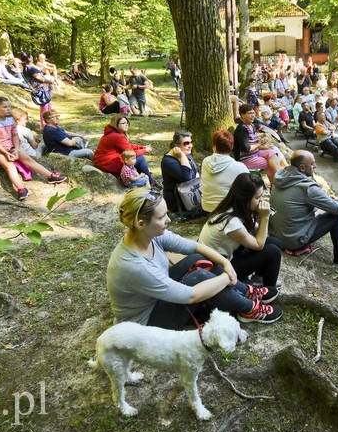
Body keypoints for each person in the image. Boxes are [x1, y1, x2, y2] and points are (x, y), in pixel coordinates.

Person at [107, 188, 282, 328]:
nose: (168, 220)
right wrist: (226, 277)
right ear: (141, 224)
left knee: (197, 258)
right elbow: (191, 296)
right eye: (161, 217)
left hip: (157, 297)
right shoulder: (135, 265)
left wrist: (225, 263)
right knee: (199, 278)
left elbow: (195, 246)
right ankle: (249, 309)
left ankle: (246, 292)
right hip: (146, 322)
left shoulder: (149, 235)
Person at [269, 150, 338, 266]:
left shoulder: (281, 177)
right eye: (312, 164)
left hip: (276, 236)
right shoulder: (307, 188)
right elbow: (337, 209)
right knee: (336, 218)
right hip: (292, 240)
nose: (315, 166)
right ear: (302, 167)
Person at [198, 173, 282, 289]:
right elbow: (259, 245)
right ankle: (267, 292)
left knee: (275, 242)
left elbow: (258, 231)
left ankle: (259, 279)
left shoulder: (237, 208)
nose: (261, 200)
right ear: (245, 199)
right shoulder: (231, 221)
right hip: (217, 267)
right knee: (273, 251)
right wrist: (265, 217)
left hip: (228, 256)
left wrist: (260, 217)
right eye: (258, 198)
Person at [0, 97, 67, 201]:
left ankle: (51, 176)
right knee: (9, 166)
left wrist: (17, 149)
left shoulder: (10, 119)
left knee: (28, 159)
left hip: (12, 146)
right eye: (5, 107)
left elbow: (14, 135)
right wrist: (5, 153)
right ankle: (21, 189)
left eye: (9, 106)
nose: (8, 109)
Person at [93, 114, 157, 185]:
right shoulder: (116, 136)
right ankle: (151, 183)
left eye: (127, 123)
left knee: (135, 158)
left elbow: (128, 146)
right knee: (140, 158)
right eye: (123, 123)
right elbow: (130, 152)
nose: (126, 125)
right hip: (107, 163)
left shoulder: (113, 133)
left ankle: (143, 176)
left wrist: (142, 147)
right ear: (116, 124)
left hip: (102, 161)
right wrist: (145, 150)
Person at [233, 104, 287, 184]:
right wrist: (259, 144)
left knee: (272, 150)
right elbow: (246, 148)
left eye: (253, 113)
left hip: (254, 154)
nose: (252, 115)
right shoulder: (241, 129)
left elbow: (254, 144)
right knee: (270, 164)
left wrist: (264, 146)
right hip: (246, 159)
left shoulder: (252, 126)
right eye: (249, 113)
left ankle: (280, 178)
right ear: (242, 115)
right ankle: (279, 182)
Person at [201, 130, 249, 214]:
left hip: (207, 207)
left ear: (214, 146)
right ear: (231, 146)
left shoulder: (205, 161)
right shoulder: (239, 167)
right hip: (228, 210)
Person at [161, 130, 201, 213]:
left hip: (191, 194)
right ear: (176, 146)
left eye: (191, 142)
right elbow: (187, 178)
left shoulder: (187, 154)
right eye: (186, 143)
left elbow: (196, 171)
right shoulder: (168, 161)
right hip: (178, 201)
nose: (190, 146)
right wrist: (182, 156)